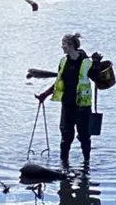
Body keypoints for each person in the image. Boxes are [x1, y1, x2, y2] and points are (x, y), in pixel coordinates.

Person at [37, 33, 101, 168]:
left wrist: (96, 64)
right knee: (66, 138)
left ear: (71, 46)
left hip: (83, 107)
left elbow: (98, 80)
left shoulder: (86, 62)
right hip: (67, 105)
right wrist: (45, 94)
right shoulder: (63, 62)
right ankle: (64, 166)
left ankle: (86, 165)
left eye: (64, 44)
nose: (62, 47)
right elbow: (59, 82)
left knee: (84, 138)